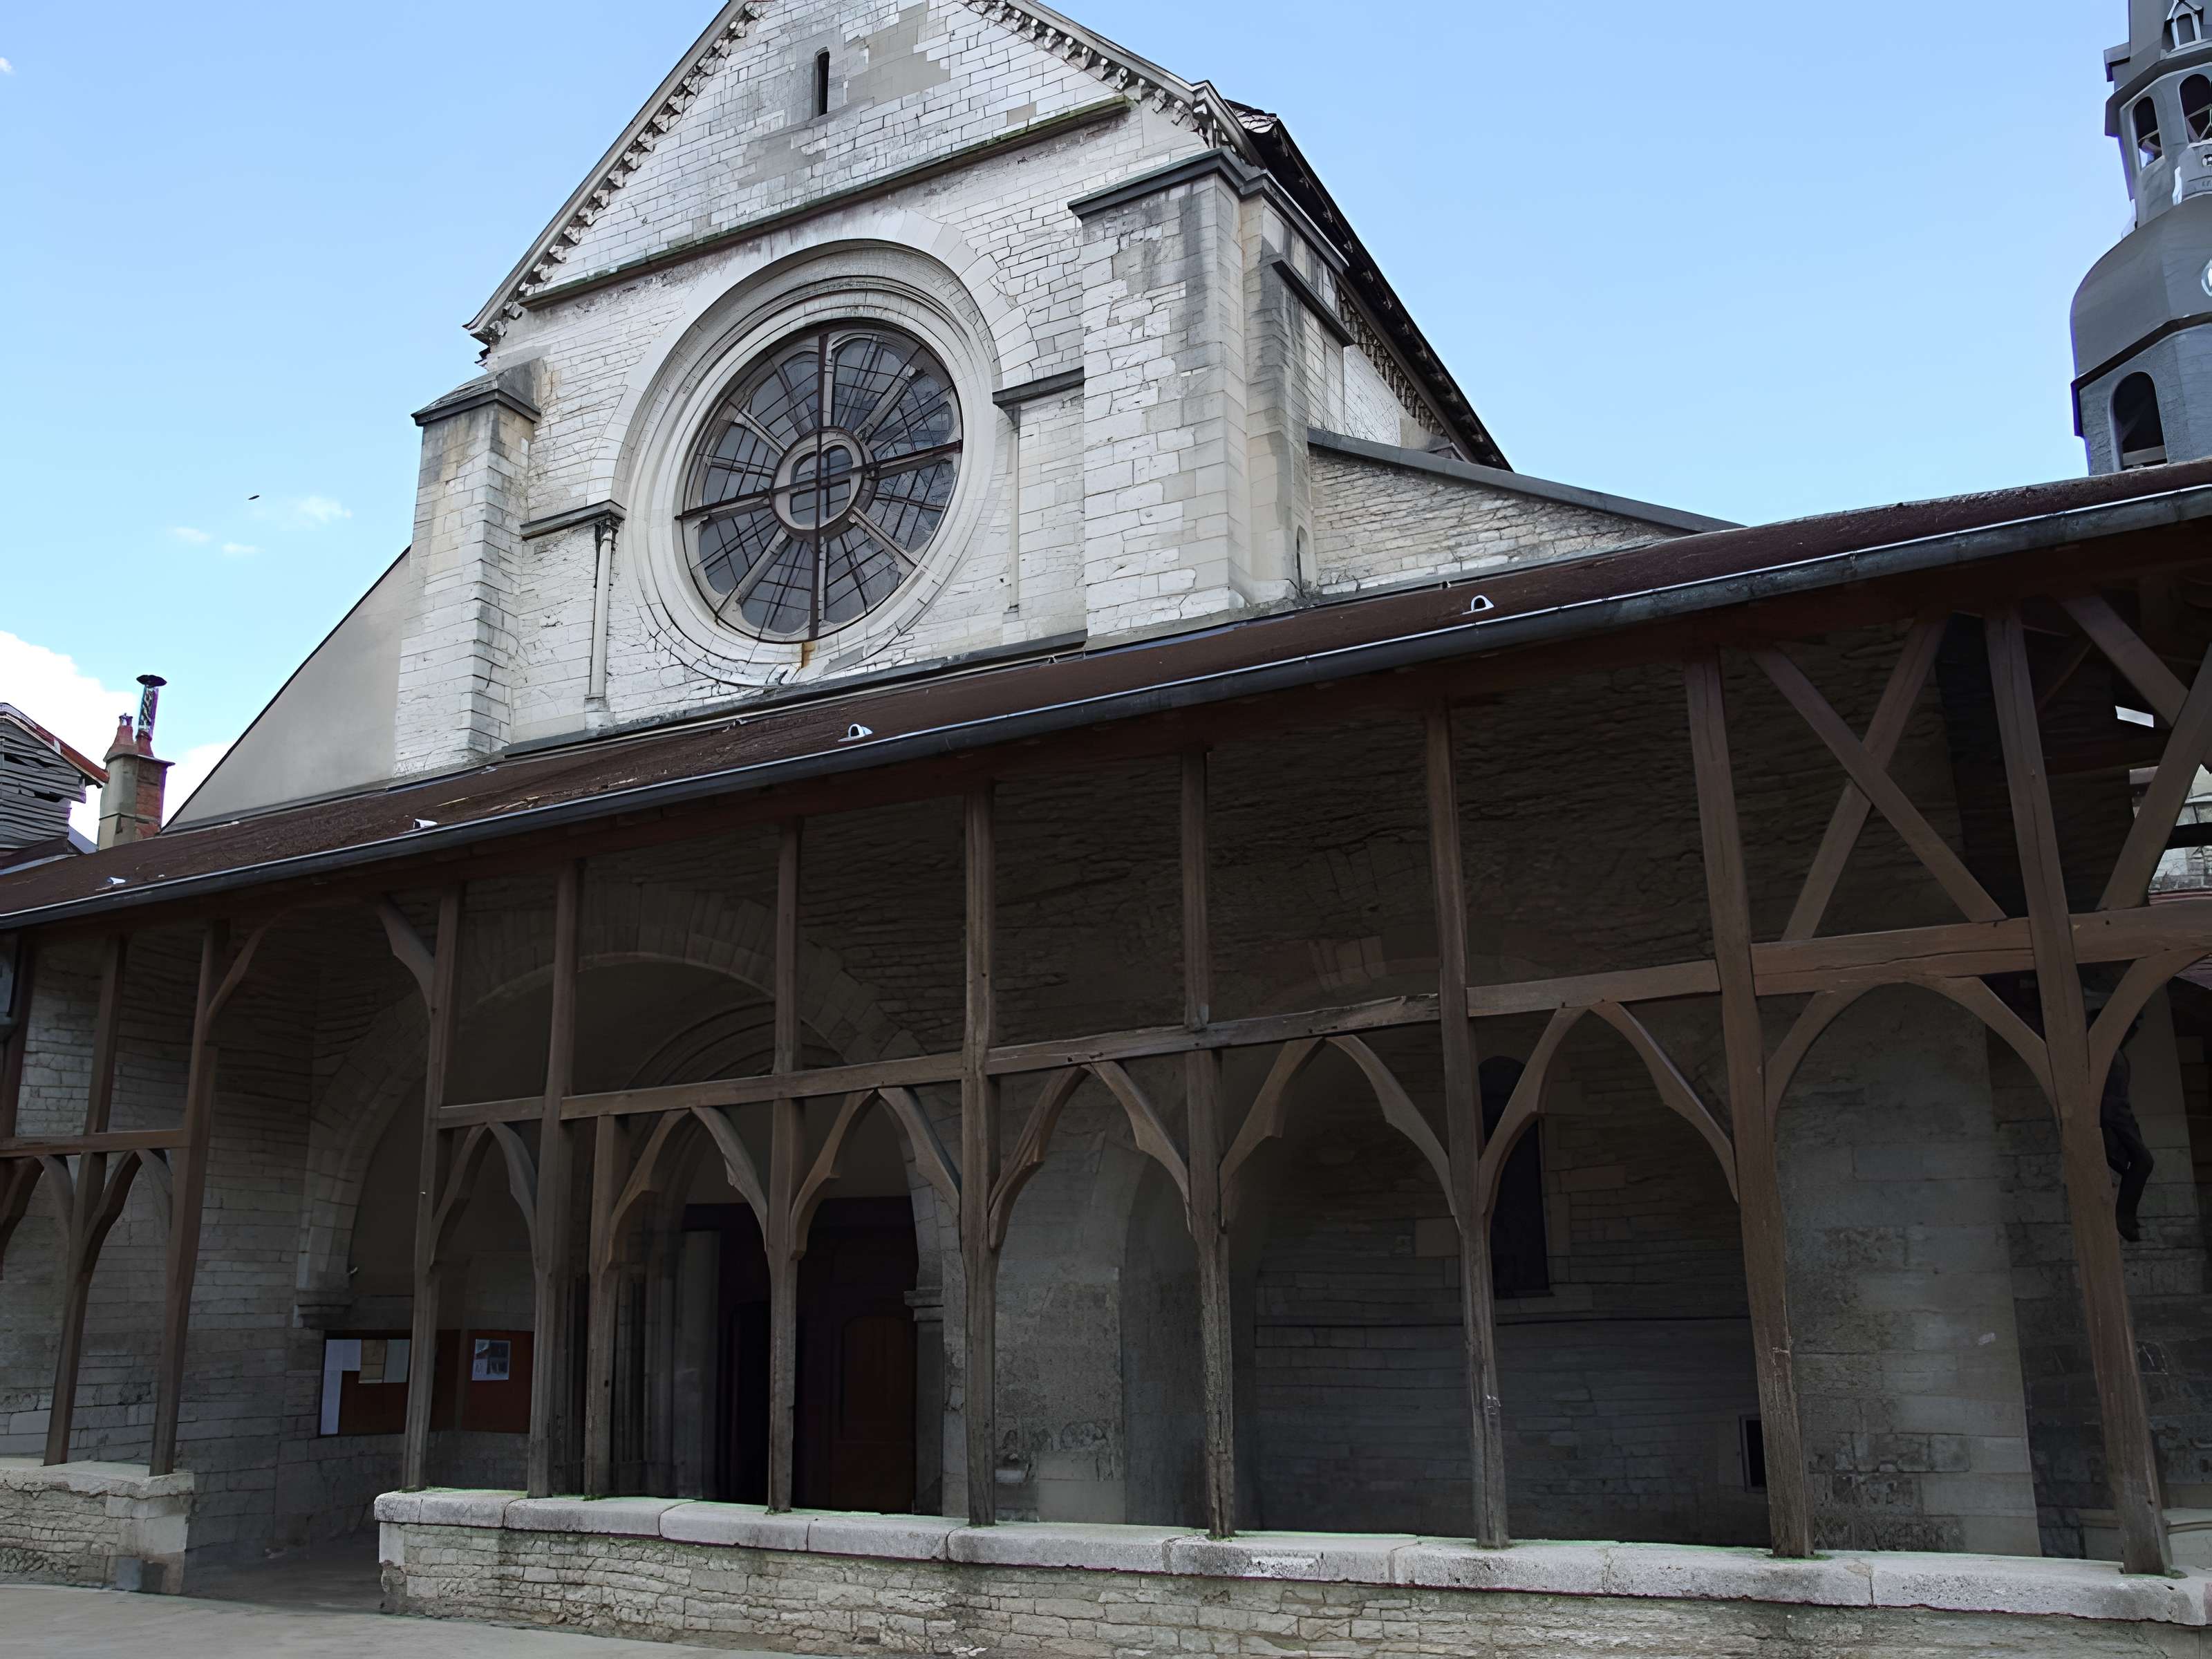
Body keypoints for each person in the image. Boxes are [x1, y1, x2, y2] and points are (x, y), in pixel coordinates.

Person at [2102, 1017, 2155, 1244]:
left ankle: (2126, 1213)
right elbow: (2111, 1099)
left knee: (2140, 1164)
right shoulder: (2110, 1057)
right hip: (2114, 1119)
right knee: (2143, 1162)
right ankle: (2124, 1215)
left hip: (2119, 1118)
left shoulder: (2116, 1055)